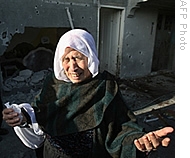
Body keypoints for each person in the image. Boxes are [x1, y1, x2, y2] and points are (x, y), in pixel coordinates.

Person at [2, 29, 174, 158]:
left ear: (90, 57)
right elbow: (39, 112)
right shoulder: (53, 84)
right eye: (66, 59)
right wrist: (22, 117)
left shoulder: (105, 86)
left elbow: (123, 128)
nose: (72, 67)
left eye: (78, 57)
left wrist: (138, 141)